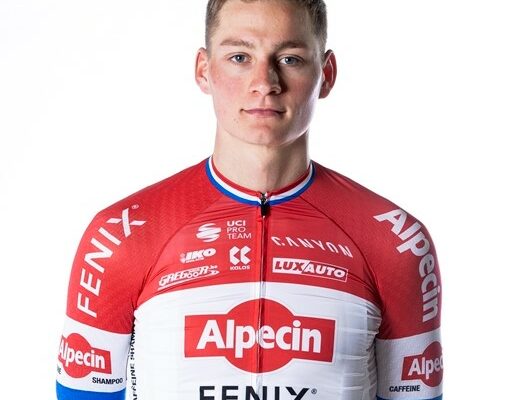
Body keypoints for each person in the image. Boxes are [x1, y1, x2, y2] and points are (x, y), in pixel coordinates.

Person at [56, 0, 443, 399]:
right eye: (240, 57)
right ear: (203, 70)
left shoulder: (395, 243)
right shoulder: (120, 238)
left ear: (326, 75)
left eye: (290, 59)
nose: (265, 82)